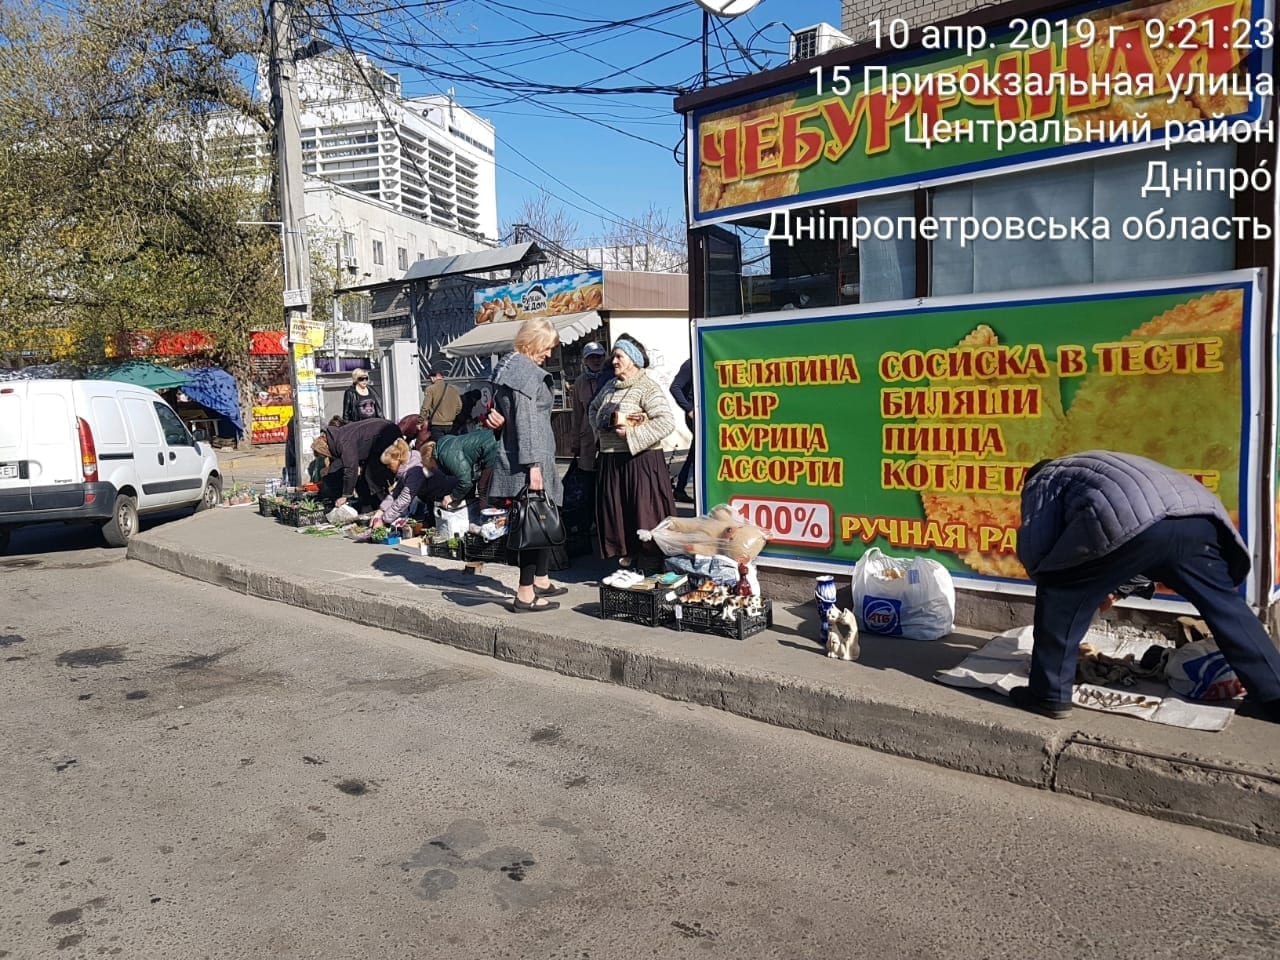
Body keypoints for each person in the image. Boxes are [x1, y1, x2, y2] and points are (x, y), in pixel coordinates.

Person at [1011, 450, 1280, 722]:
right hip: (1201, 518)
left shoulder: (1043, 478)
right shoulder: (1094, 467)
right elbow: (1144, 551)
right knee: (1226, 609)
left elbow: (1038, 548)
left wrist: (1059, 589)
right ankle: (1274, 695)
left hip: (1133, 517)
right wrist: (1116, 589)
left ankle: (1048, 694)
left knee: (1059, 592)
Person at [489, 317, 568, 612]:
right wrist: (533, 465)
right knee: (534, 521)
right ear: (532, 342)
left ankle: (542, 579)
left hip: (528, 454)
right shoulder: (525, 373)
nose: (548, 354)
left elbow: (500, 415)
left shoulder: (508, 368)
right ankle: (525, 593)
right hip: (531, 458)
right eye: (546, 348)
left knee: (543, 515)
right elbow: (526, 422)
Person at [588, 334, 676, 570]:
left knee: (643, 514)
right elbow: (593, 409)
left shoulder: (647, 387)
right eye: (614, 356)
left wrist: (631, 434)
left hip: (641, 462)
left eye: (619, 357)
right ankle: (628, 559)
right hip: (611, 460)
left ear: (634, 360)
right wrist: (602, 425)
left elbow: (666, 421)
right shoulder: (609, 387)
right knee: (619, 513)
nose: (614, 361)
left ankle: (650, 562)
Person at [568, 341, 611, 528]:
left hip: (608, 436)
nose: (596, 360)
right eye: (592, 357)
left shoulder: (611, 377)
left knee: (607, 481)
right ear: (585, 360)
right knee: (587, 483)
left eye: (599, 356)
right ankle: (588, 523)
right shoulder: (579, 383)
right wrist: (575, 440)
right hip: (587, 438)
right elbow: (577, 413)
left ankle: (606, 521)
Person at [370, 438, 456, 530]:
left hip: (445, 493)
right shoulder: (409, 461)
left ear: (398, 459)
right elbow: (397, 491)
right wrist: (381, 511)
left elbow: (404, 499)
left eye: (389, 464)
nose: (387, 467)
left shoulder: (414, 471)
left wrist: (384, 520)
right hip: (434, 496)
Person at [318, 417, 400, 511]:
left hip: (386, 434)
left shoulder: (343, 442)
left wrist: (345, 496)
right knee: (367, 475)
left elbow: (350, 469)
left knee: (372, 475)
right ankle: (374, 505)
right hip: (384, 431)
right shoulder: (339, 435)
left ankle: (386, 507)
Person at [431, 429, 499, 505]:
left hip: (492, 448)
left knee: (483, 488)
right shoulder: (445, 444)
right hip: (492, 440)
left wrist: (451, 497)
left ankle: (485, 515)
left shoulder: (447, 455)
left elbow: (466, 482)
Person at [669, 357, 695, 503]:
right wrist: (689, 409)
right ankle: (680, 488)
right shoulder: (691, 363)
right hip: (695, 415)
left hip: (708, 413)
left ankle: (680, 488)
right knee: (696, 452)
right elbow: (675, 387)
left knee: (694, 453)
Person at [420, 365, 463, 443]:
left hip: (436, 425)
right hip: (451, 424)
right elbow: (459, 406)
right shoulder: (453, 389)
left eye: (430, 378)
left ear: (434, 377)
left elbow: (425, 407)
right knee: (449, 446)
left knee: (438, 447)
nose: (430, 380)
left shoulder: (431, 389)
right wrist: (451, 415)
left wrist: (420, 421)